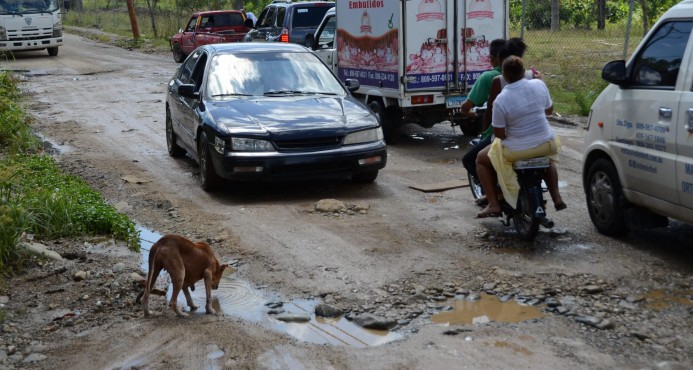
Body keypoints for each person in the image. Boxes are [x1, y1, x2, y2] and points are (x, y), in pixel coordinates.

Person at [475, 55, 565, 218]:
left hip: (517, 151)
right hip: (546, 144)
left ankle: (494, 204)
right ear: (524, 72)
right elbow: (549, 111)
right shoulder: (539, 84)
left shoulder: (501, 99)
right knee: (548, 159)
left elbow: (500, 134)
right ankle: (557, 197)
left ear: (504, 76)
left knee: (481, 159)